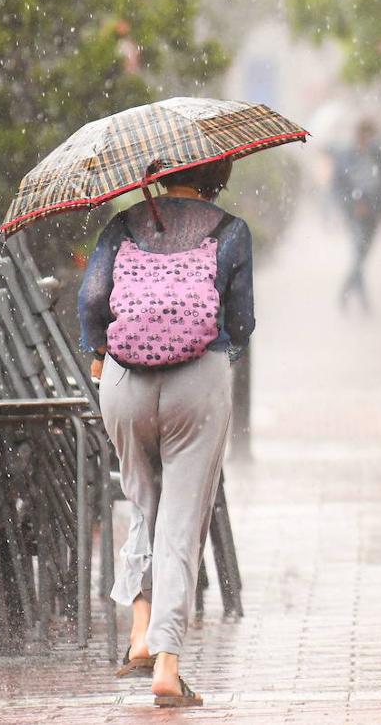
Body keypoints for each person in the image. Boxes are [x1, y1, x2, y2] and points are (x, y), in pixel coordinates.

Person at [78, 158, 254, 708]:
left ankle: (140, 629)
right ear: (218, 177)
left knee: (144, 505)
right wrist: (220, 352)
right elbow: (243, 320)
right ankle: (168, 664)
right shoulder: (230, 230)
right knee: (179, 523)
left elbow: (90, 300)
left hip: (124, 380)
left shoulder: (124, 223)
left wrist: (99, 355)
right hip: (196, 383)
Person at [333, 119, 381, 312]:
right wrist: (353, 205)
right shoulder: (347, 156)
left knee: (363, 254)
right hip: (354, 214)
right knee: (359, 251)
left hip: (374, 213)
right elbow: (339, 185)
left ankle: (349, 290)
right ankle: (359, 298)